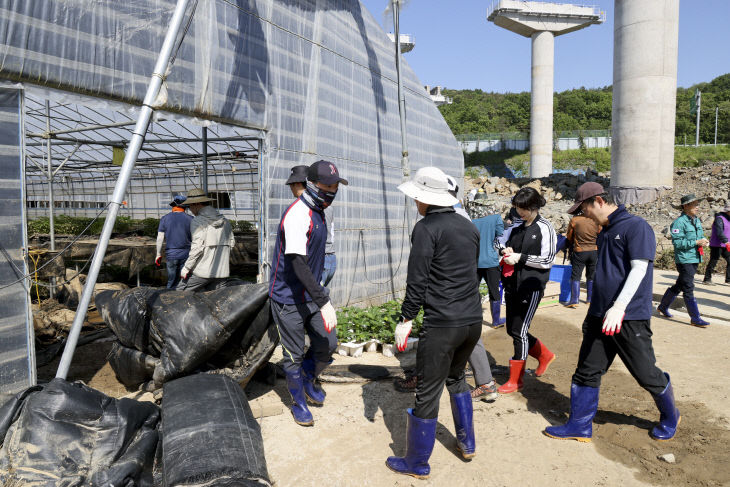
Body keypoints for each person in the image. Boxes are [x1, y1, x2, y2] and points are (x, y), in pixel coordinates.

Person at [544, 183, 680, 442]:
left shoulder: (635, 226)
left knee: (645, 373)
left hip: (628, 317)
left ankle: (671, 415)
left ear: (598, 201)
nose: (584, 215)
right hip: (599, 315)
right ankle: (579, 425)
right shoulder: (604, 230)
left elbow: (639, 269)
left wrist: (619, 307)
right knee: (587, 369)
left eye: (584, 209)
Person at [386, 167, 482, 479]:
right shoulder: (469, 227)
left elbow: (418, 280)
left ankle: (416, 462)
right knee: (456, 378)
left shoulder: (426, 229)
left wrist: (406, 317)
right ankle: (467, 443)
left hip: (442, 323)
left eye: (416, 197)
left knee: (427, 389)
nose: (415, 202)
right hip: (471, 321)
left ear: (426, 199)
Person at [269, 160, 347, 426]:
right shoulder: (297, 214)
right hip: (288, 297)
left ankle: (308, 377)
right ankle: (298, 401)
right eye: (328, 185)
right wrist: (323, 300)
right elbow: (297, 263)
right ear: (312, 185)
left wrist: (319, 294)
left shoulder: (319, 212)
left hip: (311, 294)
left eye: (336, 186)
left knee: (329, 343)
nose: (333, 190)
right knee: (293, 353)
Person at [494, 187, 556, 394]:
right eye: (518, 208)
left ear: (535, 206)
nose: (520, 213)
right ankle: (544, 354)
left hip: (531, 285)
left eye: (524, 209)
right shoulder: (517, 225)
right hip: (512, 284)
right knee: (512, 328)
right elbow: (498, 241)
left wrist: (520, 257)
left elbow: (548, 260)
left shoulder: (545, 228)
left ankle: (516, 379)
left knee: (519, 331)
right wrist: (505, 250)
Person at [656, 194, 710, 327]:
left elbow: (700, 235)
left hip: (695, 257)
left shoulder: (696, 220)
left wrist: (704, 241)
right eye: (695, 204)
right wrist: (696, 241)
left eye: (698, 204)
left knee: (680, 284)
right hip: (685, 259)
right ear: (686, 206)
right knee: (688, 287)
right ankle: (695, 318)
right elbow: (678, 243)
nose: (698, 207)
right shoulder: (679, 223)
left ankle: (663, 306)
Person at [177, 188, 235, 291]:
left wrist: (186, 268)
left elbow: (197, 248)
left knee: (180, 293)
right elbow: (232, 243)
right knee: (216, 301)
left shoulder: (198, 221)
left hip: (202, 272)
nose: (190, 209)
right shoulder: (225, 221)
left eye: (190, 206)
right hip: (222, 272)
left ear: (196, 204)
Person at [155, 195, 193, 289]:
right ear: (185, 207)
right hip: (186, 254)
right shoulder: (191, 219)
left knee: (171, 281)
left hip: (171, 255)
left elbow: (160, 238)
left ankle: (169, 300)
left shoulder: (165, 218)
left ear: (174, 206)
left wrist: (158, 254)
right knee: (184, 281)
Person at [564, 213, 602, 307]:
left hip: (580, 251)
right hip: (594, 251)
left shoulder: (575, 220)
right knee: (591, 275)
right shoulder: (596, 219)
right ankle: (589, 299)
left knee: (576, 275)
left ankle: (574, 300)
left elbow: (569, 236)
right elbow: (601, 233)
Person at [702, 203, 730, 285]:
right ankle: (707, 279)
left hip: (726, 244)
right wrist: (726, 241)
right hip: (717, 244)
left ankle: (728, 279)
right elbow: (719, 232)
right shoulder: (719, 219)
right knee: (714, 260)